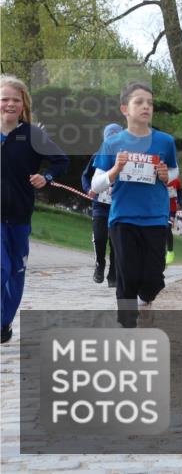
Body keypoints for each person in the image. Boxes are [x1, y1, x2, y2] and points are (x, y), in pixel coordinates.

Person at [91, 82, 179, 326]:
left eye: (150, 103)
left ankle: (146, 299)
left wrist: (166, 176)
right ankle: (127, 325)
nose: (146, 107)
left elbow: (174, 171)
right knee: (126, 275)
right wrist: (115, 170)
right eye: (139, 102)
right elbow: (96, 184)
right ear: (124, 109)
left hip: (155, 217)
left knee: (154, 278)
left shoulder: (165, 142)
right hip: (122, 218)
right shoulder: (112, 143)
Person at [0, 75, 69, 344]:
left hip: (19, 215)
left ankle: (4, 323)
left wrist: (46, 177)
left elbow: (60, 161)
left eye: (15, 100)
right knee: (1, 269)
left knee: (16, 272)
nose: (9, 104)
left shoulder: (32, 135)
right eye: (4, 99)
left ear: (23, 104)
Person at [82, 123, 122, 286]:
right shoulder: (98, 155)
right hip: (100, 204)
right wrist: (88, 189)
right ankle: (100, 264)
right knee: (99, 237)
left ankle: (113, 273)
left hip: (118, 205)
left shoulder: (126, 157)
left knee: (114, 240)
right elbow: (86, 177)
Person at [165, 174, 182, 265]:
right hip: (158, 207)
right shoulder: (156, 175)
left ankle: (170, 251)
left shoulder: (175, 180)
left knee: (167, 228)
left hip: (171, 209)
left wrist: (180, 200)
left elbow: (180, 190)